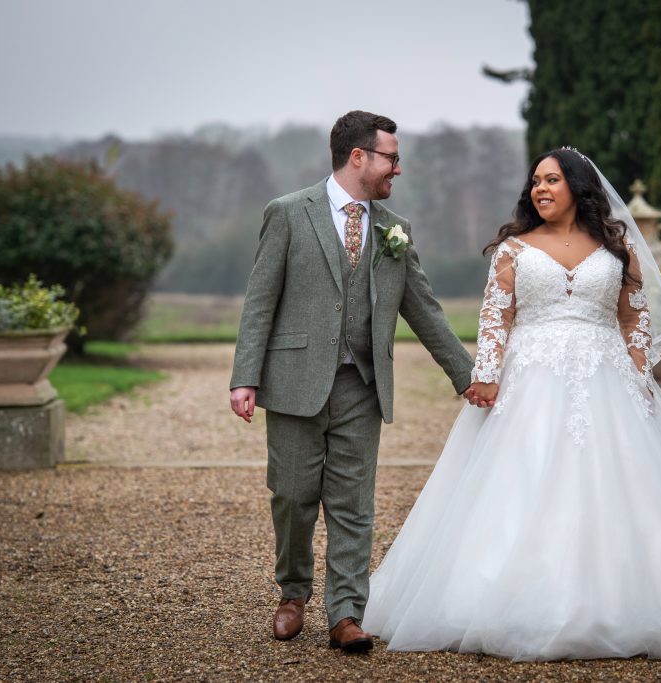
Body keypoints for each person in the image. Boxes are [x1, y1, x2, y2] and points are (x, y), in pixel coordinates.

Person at [362, 148, 661, 660]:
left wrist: (638, 371)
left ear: (578, 188)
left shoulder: (617, 248)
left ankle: (631, 604)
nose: (540, 189)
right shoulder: (514, 249)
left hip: (610, 381)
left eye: (552, 180)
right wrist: (487, 376)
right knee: (518, 485)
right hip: (529, 381)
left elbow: (634, 318)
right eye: (535, 181)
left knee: (627, 488)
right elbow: (498, 318)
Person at [229, 110, 474, 653]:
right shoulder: (290, 213)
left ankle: (345, 614)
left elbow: (425, 310)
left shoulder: (395, 230)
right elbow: (260, 300)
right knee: (292, 496)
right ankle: (293, 593)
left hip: (362, 386)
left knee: (353, 504)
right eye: (392, 157)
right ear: (358, 156)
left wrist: (467, 376)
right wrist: (245, 376)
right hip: (294, 382)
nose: (398, 169)